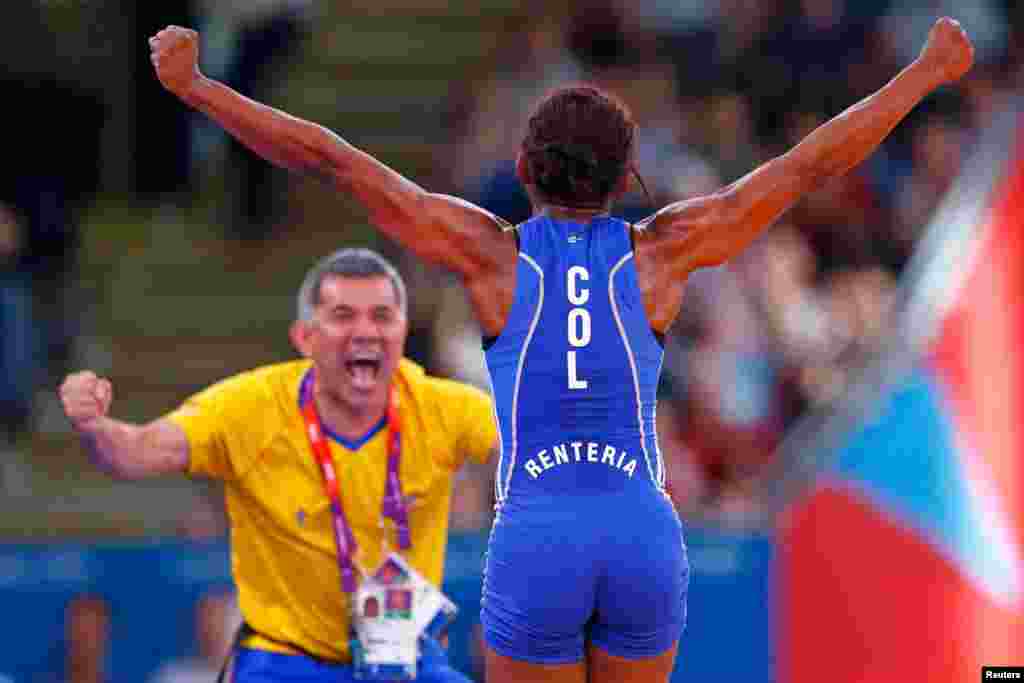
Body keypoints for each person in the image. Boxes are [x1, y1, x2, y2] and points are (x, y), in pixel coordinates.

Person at [147, 17, 975, 683]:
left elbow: (329, 157)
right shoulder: (663, 250)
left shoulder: (489, 253)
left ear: (521, 168)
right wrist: (926, 73)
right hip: (638, 530)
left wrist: (200, 87)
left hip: (537, 530)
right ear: (625, 177)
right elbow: (806, 166)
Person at [59, 248, 497, 682]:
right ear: (304, 338)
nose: (366, 332)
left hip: (403, 659)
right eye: (344, 316)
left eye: (383, 316)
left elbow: (536, 449)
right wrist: (94, 425)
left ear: (402, 332)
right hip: (284, 665)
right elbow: (135, 452)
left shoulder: (444, 408)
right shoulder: (248, 408)